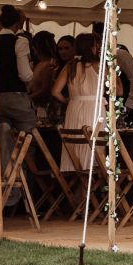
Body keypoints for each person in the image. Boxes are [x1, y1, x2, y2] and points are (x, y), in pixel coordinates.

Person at [51, 33, 102, 170]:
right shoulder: (99, 65)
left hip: (74, 108)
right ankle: (89, 181)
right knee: (93, 147)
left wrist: (68, 100)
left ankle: (78, 177)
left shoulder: (70, 66)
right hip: (94, 109)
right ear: (92, 47)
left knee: (75, 143)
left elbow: (55, 91)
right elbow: (119, 91)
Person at [0, 5, 37, 143]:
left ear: (0, 23)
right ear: (17, 24)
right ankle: (24, 165)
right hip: (17, 97)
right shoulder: (20, 41)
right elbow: (25, 75)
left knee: (3, 142)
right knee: (27, 139)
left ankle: (5, 165)